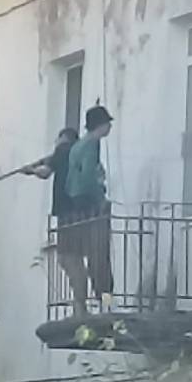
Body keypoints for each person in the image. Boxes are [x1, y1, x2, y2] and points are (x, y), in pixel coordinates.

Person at [23, 128, 90, 315]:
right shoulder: (78, 153)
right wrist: (39, 163)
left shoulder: (63, 150)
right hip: (81, 211)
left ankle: (80, 305)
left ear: (62, 138)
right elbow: (50, 161)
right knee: (75, 258)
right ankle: (80, 304)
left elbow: (45, 172)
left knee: (67, 258)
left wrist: (31, 170)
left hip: (67, 212)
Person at [65, 105, 115, 310]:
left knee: (89, 255)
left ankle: (94, 303)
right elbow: (87, 176)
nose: (109, 127)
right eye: (107, 123)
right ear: (100, 125)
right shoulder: (92, 144)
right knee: (100, 256)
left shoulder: (77, 145)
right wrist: (100, 196)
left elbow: (72, 177)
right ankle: (107, 304)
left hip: (76, 202)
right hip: (90, 203)